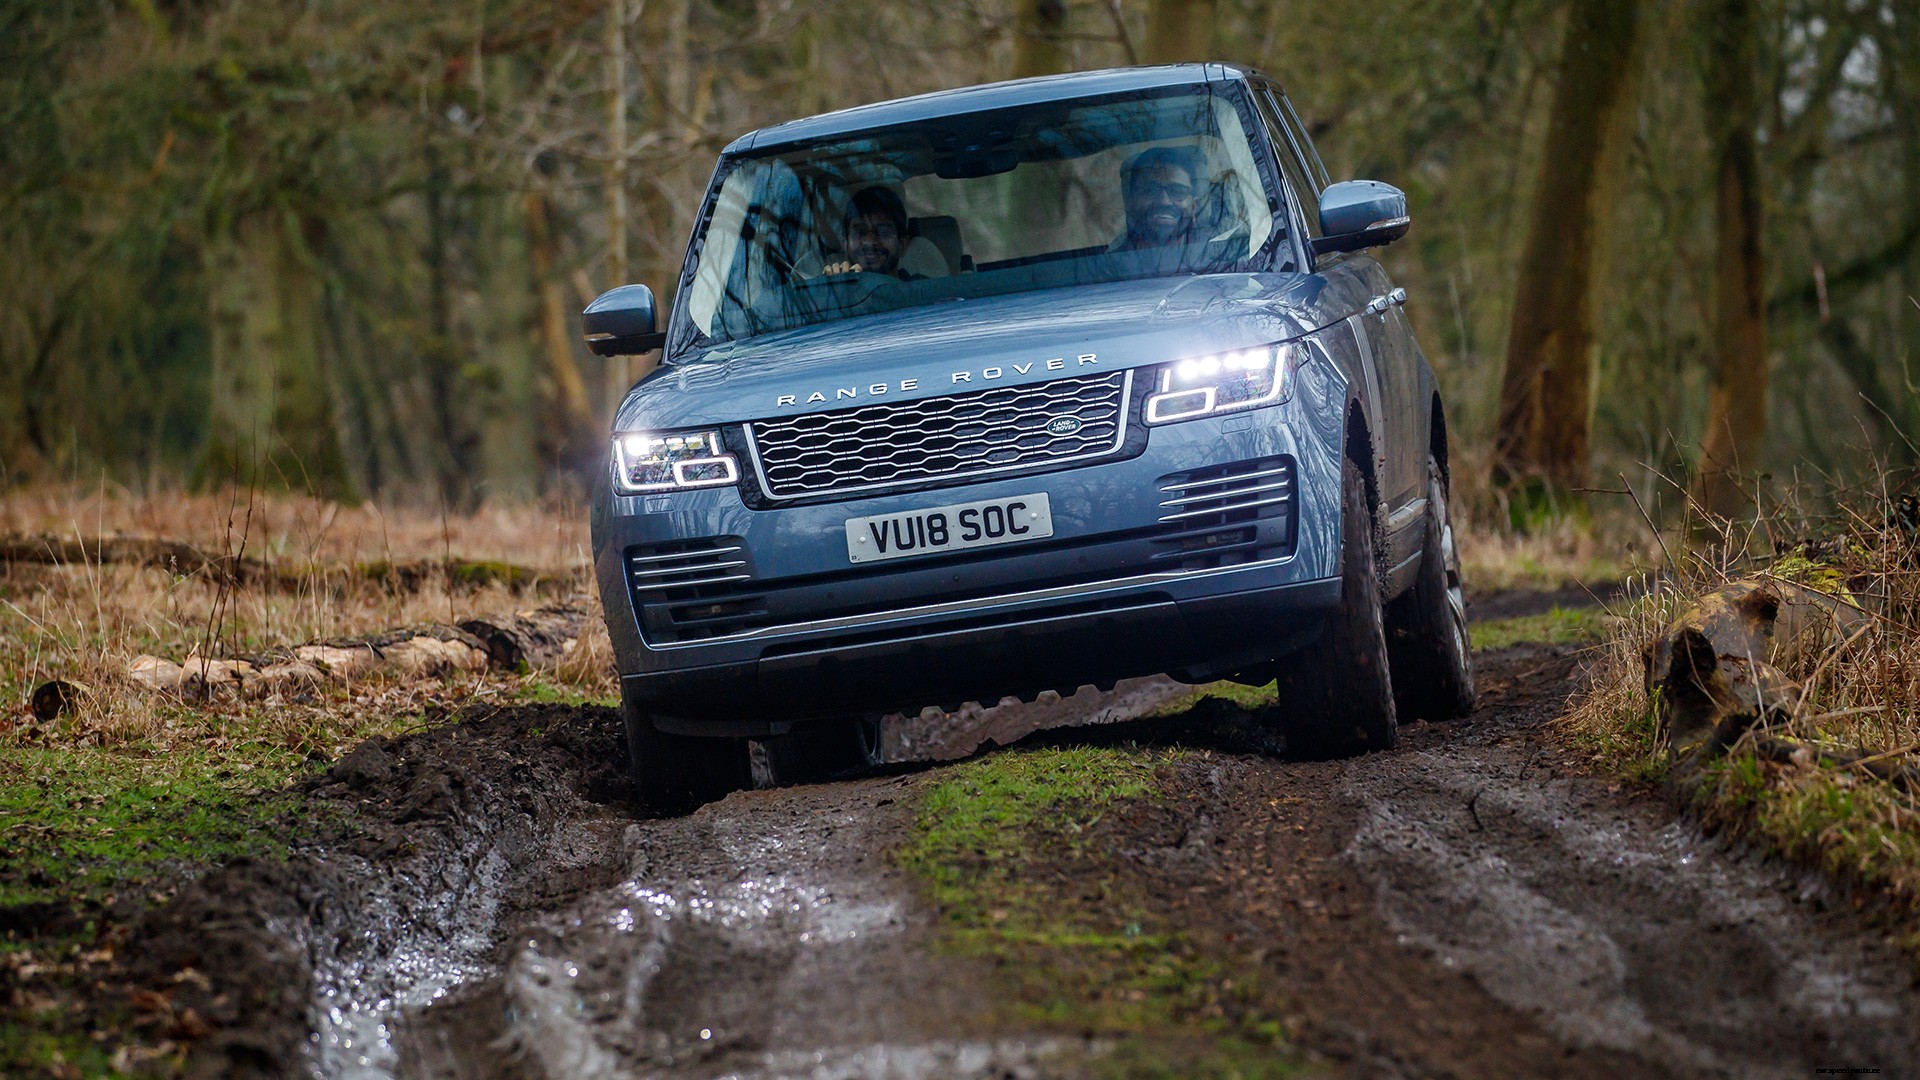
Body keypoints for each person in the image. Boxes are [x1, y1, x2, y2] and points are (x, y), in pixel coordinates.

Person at [1113, 146, 1202, 251]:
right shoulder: (1110, 263)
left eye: (1178, 191)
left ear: (1194, 205)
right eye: (1150, 190)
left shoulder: (1214, 252)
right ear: (1130, 203)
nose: (1164, 201)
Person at [822, 186, 921, 279]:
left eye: (883, 232)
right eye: (859, 232)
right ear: (845, 244)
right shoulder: (835, 292)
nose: (869, 241)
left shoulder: (923, 291)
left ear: (901, 245)